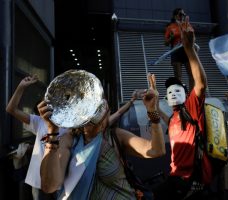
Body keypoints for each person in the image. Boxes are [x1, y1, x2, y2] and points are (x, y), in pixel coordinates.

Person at [39, 72, 166, 200]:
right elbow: (50, 186)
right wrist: (52, 132)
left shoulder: (115, 136)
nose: (101, 116)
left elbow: (156, 150)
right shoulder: (70, 140)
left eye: (103, 110)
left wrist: (152, 112)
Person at [153, 16, 212, 200]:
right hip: (175, 177)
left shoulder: (191, 108)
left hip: (193, 182)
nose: (172, 93)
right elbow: (164, 118)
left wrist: (189, 49)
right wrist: (153, 102)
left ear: (186, 94)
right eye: (169, 91)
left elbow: (201, 85)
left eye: (177, 90)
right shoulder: (173, 118)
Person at [6, 75, 69, 200]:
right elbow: (11, 109)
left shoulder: (70, 125)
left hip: (61, 180)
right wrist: (21, 87)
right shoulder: (40, 121)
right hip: (38, 181)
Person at [164, 8, 194, 91]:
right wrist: (172, 38)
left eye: (184, 14)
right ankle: (181, 94)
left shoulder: (187, 24)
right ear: (175, 16)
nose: (182, 16)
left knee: (191, 74)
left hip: (186, 51)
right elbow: (166, 43)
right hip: (176, 51)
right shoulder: (170, 27)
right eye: (181, 14)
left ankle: (191, 94)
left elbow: (192, 37)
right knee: (178, 76)